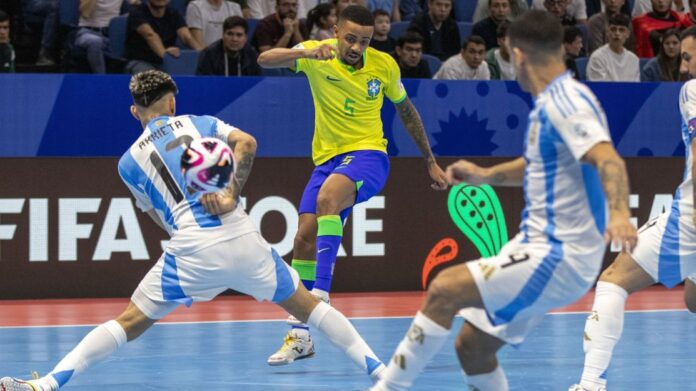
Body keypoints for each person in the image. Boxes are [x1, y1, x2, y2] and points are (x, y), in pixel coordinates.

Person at [0, 69, 387, 391]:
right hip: (239, 236)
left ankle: (47, 384)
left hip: (190, 249)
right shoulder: (201, 124)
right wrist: (231, 193)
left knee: (129, 321)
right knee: (309, 307)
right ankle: (383, 375)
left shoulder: (127, 164)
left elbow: (159, 218)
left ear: (135, 111)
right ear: (172, 102)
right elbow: (247, 143)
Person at [370, 10, 637, 391]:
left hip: (559, 253)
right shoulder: (549, 104)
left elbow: (607, 158)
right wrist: (485, 176)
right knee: (472, 347)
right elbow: (537, 165)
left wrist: (622, 214)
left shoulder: (567, 101)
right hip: (539, 248)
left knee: (445, 288)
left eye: (509, 57)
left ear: (520, 54)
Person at [257, 4, 448, 366]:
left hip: (369, 156)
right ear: (334, 32)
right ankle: (301, 337)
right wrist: (310, 51)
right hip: (327, 160)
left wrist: (429, 160)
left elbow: (407, 111)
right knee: (302, 239)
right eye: (350, 39)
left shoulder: (384, 66)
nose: (357, 47)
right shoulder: (317, 55)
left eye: (365, 40)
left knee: (329, 197)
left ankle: (321, 296)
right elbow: (265, 58)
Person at [569, 25, 696, 391]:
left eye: (688, 57)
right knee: (693, 301)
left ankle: (590, 383)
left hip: (690, 220)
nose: (683, 67)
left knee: (612, 281)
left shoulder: (692, 90)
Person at [124, 0, 203, 74]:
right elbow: (150, 35)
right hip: (139, 61)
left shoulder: (174, 13)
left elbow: (186, 37)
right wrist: (165, 55)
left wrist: (203, 54)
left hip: (165, 63)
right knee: (154, 80)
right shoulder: (137, 13)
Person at [196, 15, 261, 76]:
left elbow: (258, 83)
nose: (234, 39)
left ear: (245, 38)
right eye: (230, 34)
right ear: (223, 35)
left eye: (239, 35)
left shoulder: (252, 55)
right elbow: (203, 83)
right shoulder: (209, 54)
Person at [75, 0, 124, 74]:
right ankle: (101, 78)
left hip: (112, 34)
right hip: (88, 31)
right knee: (95, 41)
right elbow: (85, 13)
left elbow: (135, 5)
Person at [587, 13, 640, 81]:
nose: (617, 33)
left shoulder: (634, 59)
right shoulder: (597, 57)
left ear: (628, 34)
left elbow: (635, 88)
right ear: (607, 32)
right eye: (613, 29)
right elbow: (598, 87)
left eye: (621, 30)